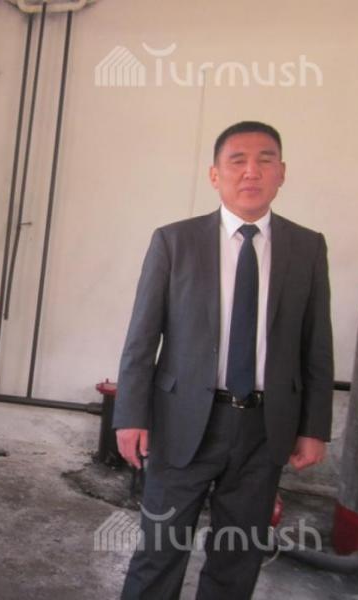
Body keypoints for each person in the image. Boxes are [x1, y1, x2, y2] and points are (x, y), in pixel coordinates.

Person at [113, 121, 333, 599]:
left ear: (282, 173)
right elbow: (141, 337)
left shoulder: (307, 247)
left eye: (265, 160)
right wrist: (130, 415)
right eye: (237, 161)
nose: (251, 171)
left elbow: (316, 343)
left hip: (263, 429)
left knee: (238, 559)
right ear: (215, 175)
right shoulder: (175, 241)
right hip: (183, 422)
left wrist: (314, 427)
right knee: (159, 551)